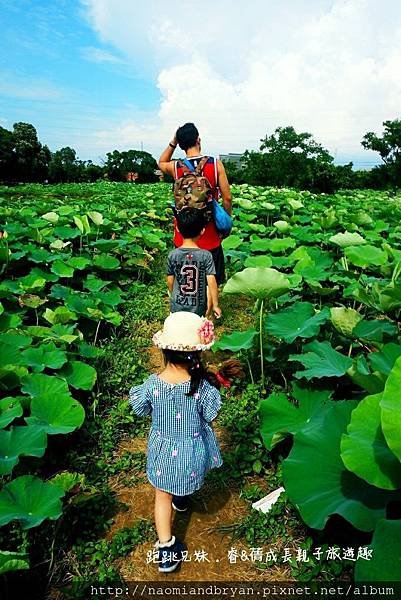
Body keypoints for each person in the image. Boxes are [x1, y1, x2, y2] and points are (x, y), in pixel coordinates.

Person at [129, 312, 242, 573]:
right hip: (191, 451)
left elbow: (140, 409)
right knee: (183, 476)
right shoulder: (201, 388)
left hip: (163, 451)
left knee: (161, 496)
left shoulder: (152, 385)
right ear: (197, 355)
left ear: (164, 352)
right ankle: (181, 497)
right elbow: (211, 415)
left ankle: (166, 549)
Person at [158, 122, 232, 285]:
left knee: (187, 281)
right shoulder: (215, 164)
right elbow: (227, 198)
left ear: (181, 144)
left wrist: (174, 142)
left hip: (183, 237)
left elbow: (161, 162)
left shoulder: (175, 167)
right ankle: (211, 307)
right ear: (198, 140)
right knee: (211, 280)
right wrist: (225, 223)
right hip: (210, 235)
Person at [167, 208, 221, 318]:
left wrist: (173, 295)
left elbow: (170, 280)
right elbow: (211, 282)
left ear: (177, 228)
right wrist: (215, 305)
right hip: (198, 309)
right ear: (202, 230)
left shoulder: (173, 255)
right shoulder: (206, 255)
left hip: (177, 307)